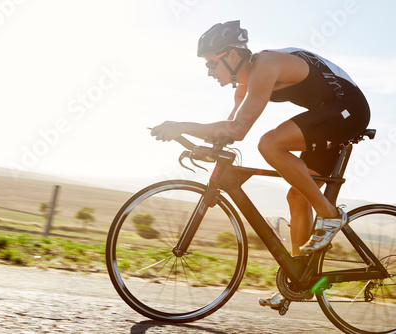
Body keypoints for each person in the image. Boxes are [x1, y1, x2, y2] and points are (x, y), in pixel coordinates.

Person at [151, 20, 370, 303]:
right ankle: (300, 279)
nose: (208, 72)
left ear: (231, 55)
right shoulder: (242, 87)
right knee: (297, 195)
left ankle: (330, 215)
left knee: (270, 143)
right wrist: (198, 145)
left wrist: (181, 125)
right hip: (326, 114)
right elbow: (227, 132)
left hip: (347, 109)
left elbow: (238, 130)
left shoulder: (265, 65)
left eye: (210, 64)